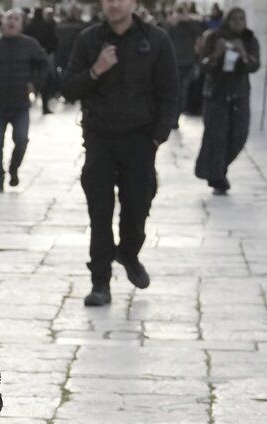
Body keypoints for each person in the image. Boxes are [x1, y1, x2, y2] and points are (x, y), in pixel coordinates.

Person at [61, 0, 177, 306]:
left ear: (134, 3)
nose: (114, 4)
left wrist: (158, 136)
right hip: (99, 137)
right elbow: (69, 88)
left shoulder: (155, 39)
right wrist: (96, 70)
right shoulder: (89, 39)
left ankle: (128, 253)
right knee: (100, 211)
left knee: (138, 205)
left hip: (140, 139)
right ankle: (100, 282)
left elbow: (169, 91)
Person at [0, 9, 50, 191]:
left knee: (21, 140)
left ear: (22, 24)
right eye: (8, 19)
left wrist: (35, 84)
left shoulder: (30, 45)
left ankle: (14, 169)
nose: (12, 22)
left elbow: (44, 65)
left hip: (20, 104)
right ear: (2, 22)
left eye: (16, 19)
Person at [194, 7, 258, 194]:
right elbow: (202, 66)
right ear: (227, 20)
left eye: (242, 19)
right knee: (217, 137)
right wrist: (216, 55)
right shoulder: (214, 37)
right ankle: (217, 177)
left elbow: (254, 65)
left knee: (239, 135)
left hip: (239, 94)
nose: (238, 23)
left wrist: (243, 53)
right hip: (217, 94)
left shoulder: (249, 39)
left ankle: (218, 169)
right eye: (234, 19)